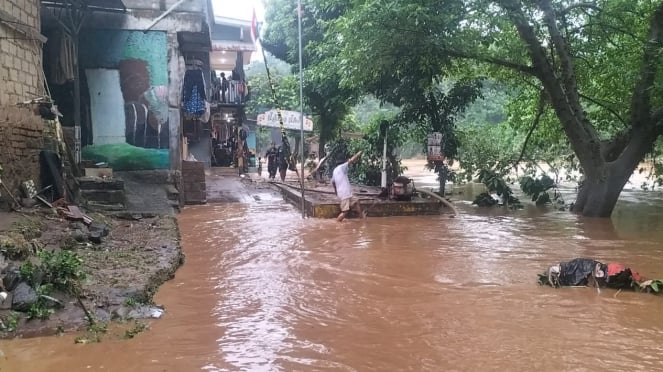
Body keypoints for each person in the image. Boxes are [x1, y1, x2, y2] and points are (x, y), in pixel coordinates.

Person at [331, 151, 365, 222]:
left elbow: (333, 183)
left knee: (356, 202)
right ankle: (336, 223)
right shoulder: (342, 167)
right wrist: (359, 153)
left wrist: (336, 193)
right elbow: (351, 160)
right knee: (345, 212)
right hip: (345, 193)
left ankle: (361, 218)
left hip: (345, 193)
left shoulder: (334, 170)